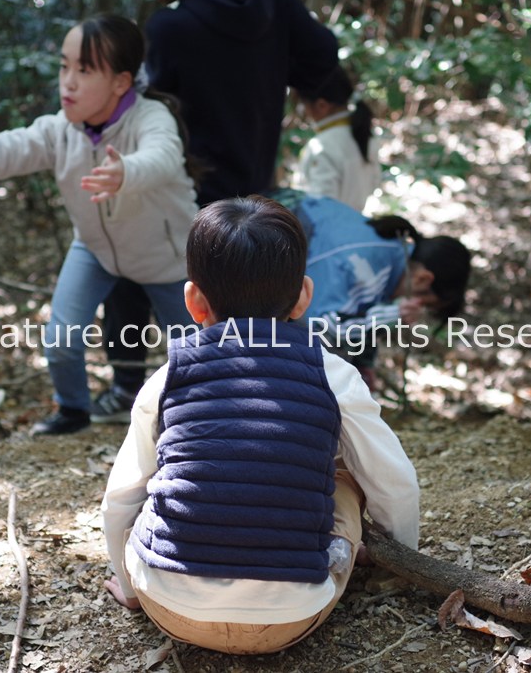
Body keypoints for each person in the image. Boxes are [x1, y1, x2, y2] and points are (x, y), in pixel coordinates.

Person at [101, 195, 420, 654]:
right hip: (290, 617)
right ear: (303, 297)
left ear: (194, 301)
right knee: (346, 477)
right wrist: (400, 563)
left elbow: (119, 499)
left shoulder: (169, 375)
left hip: (171, 606)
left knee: (157, 481)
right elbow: (397, 485)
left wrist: (132, 590)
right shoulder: (333, 374)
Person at [0, 15, 198, 436]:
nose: (69, 82)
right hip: (96, 250)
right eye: (65, 66)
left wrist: (126, 173)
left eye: (85, 70)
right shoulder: (60, 131)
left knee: (196, 354)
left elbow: (164, 155)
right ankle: (74, 411)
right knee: (61, 340)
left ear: (120, 82)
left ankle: (196, 420)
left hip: (169, 258)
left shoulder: (151, 118)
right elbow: (1, 150)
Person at [93, 0, 340, 425]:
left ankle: (133, 386)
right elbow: (322, 57)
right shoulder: (275, 4)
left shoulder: (170, 27)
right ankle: (258, 390)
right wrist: (270, 66)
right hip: (252, 183)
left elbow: (148, 110)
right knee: (249, 286)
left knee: (132, 263)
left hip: (183, 184)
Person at [271, 190, 471, 389]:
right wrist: (390, 315)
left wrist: (363, 364)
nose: (418, 310)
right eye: (425, 303)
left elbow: (358, 310)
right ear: (422, 279)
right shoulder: (366, 269)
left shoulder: (390, 249)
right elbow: (317, 325)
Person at [293, 65, 381, 212]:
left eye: (303, 104)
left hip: (326, 232)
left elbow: (320, 207)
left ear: (322, 105)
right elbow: (374, 184)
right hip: (354, 226)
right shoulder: (366, 136)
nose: (303, 111)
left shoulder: (322, 146)